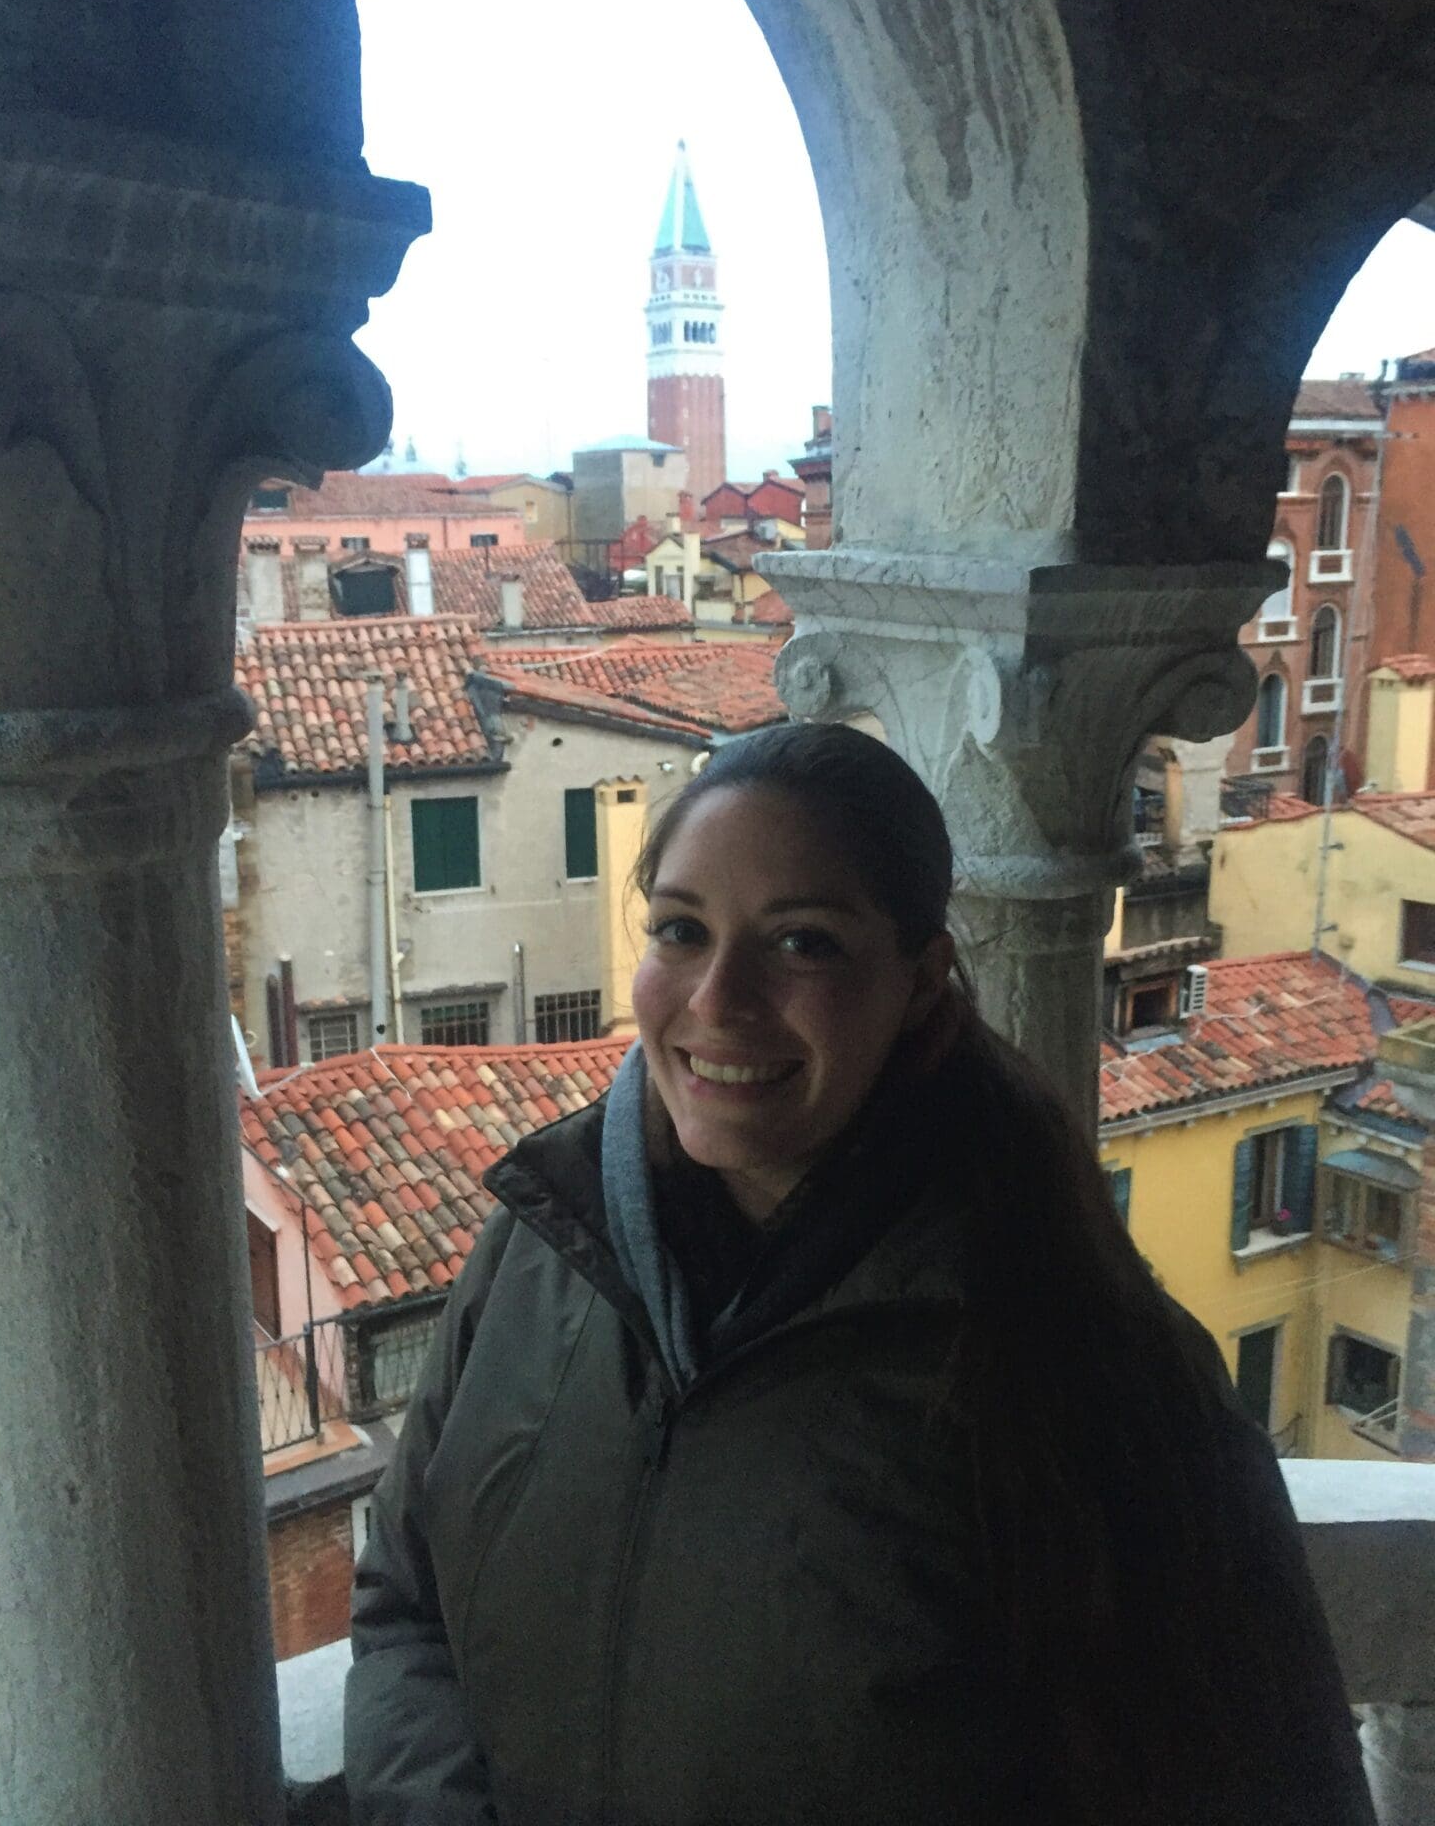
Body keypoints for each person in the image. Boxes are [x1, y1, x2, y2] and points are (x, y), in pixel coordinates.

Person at [345, 721, 1374, 1826]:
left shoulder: (1082, 1365)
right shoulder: (539, 1252)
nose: (718, 1000)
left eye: (805, 945)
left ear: (923, 979)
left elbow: (1260, 1778)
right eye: (682, 930)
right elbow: (408, 1608)